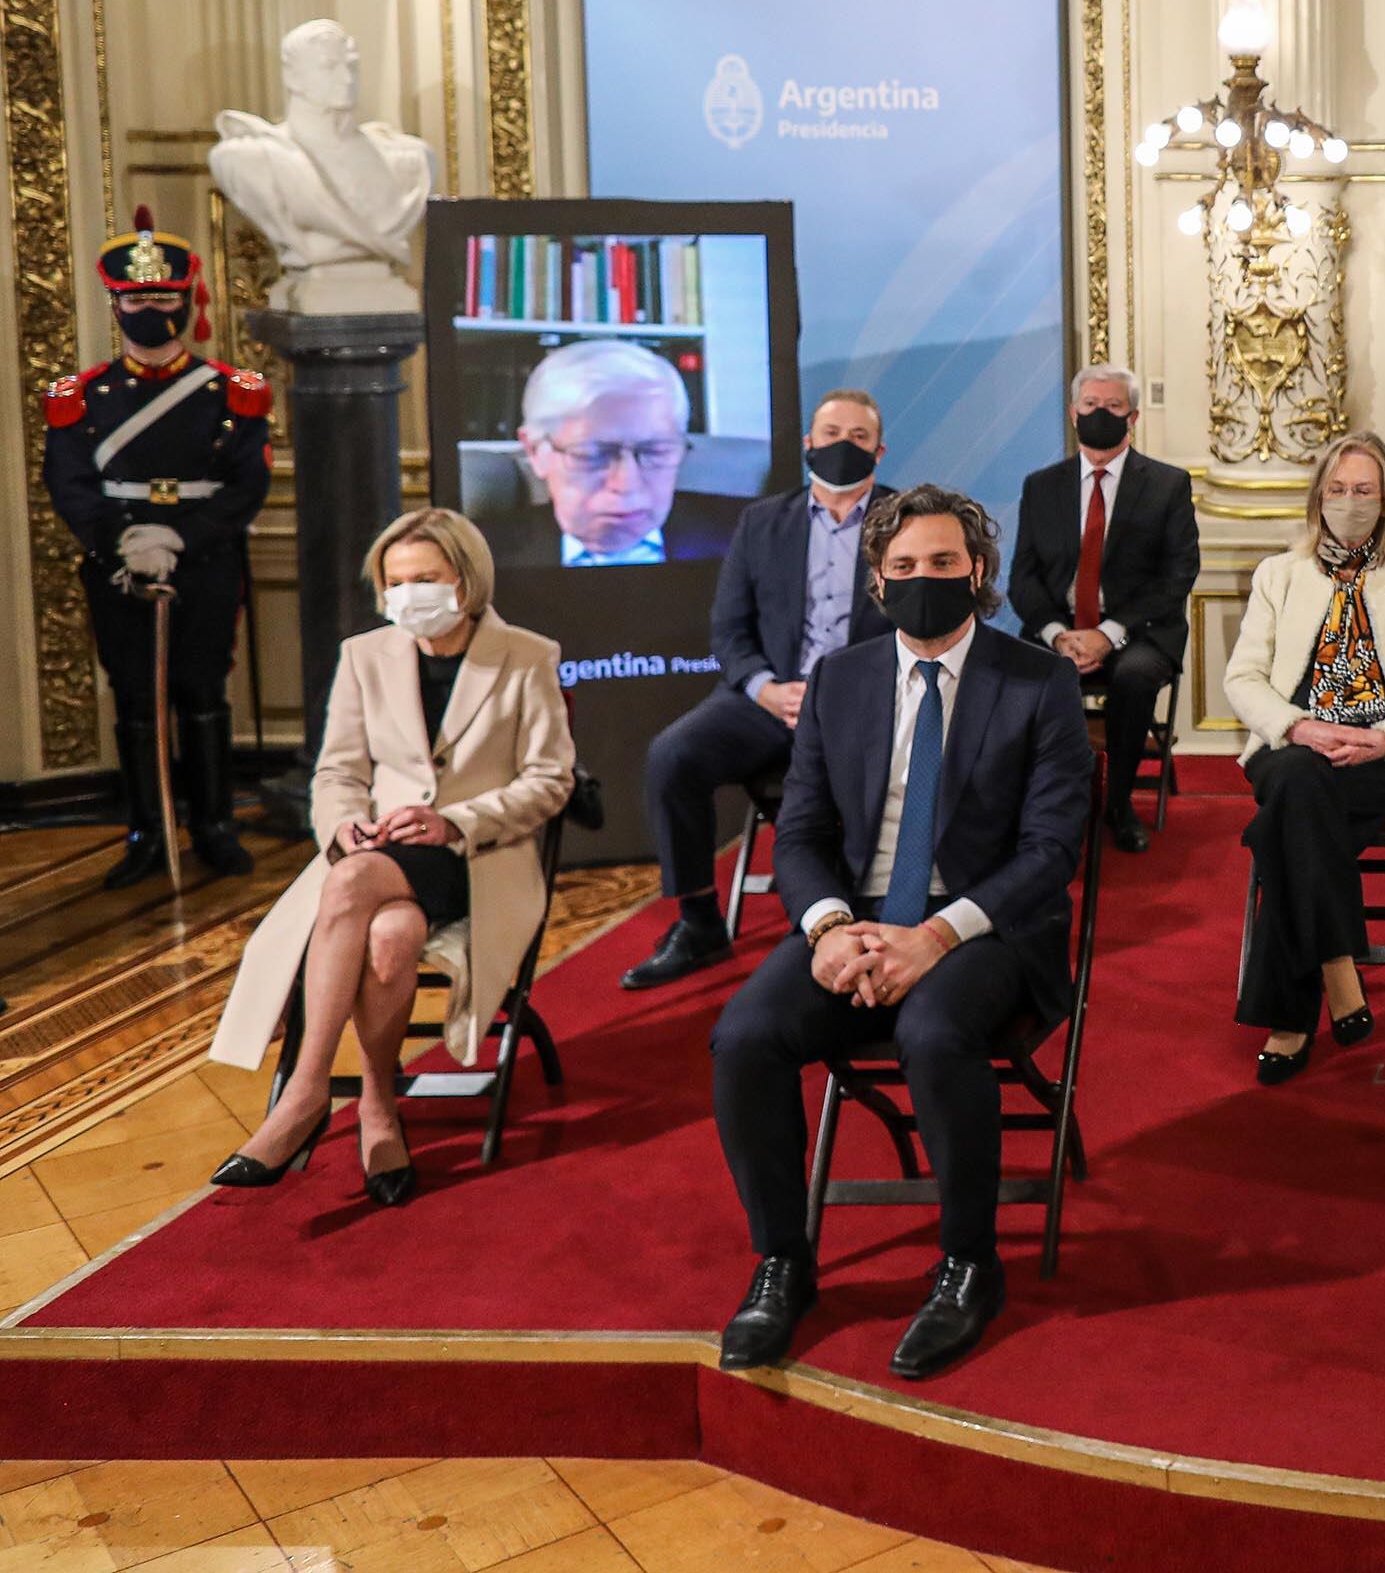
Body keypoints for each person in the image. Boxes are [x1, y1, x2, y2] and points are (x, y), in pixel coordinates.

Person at [710, 486, 1092, 1379]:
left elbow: (1049, 851)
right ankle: (783, 1261)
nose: (926, 580)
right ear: (878, 582)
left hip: (988, 925)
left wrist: (936, 937)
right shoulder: (842, 680)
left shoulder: (1038, 682)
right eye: (906, 568)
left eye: (945, 564)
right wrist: (831, 928)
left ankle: (968, 1265)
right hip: (858, 918)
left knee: (934, 1031)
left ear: (979, 573)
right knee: (745, 1037)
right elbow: (798, 832)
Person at [206, 511, 573, 1206]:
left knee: (350, 886)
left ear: (464, 582)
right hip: (378, 856)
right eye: (396, 582)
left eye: (425, 579)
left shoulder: (528, 655)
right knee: (389, 931)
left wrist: (452, 820)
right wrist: (344, 826)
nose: (409, 595)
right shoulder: (364, 655)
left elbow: (548, 781)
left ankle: (306, 1092)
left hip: (477, 855)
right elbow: (337, 773)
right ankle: (377, 1105)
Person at [621, 391, 894, 990]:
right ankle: (698, 923)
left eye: (857, 436)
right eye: (830, 433)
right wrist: (765, 689)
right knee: (673, 755)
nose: (842, 445)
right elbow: (729, 628)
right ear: (808, 444)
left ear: (879, 448)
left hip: (865, 708)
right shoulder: (763, 521)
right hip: (771, 699)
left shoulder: (906, 521)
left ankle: (846, 921)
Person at [42, 207, 271, 886]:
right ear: (116, 304)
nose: (150, 308)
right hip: (119, 566)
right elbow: (70, 484)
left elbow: (245, 485)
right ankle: (146, 829)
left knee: (202, 691)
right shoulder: (78, 396)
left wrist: (177, 536)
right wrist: (126, 543)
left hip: (202, 560)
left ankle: (214, 826)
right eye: (137, 298)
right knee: (137, 697)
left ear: (187, 300)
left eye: (163, 297)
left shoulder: (234, 392)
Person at [1223, 434, 1385, 1083]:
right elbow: (1242, 679)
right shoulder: (1281, 574)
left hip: (1376, 758)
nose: (1350, 503)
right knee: (1299, 783)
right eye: (1338, 490)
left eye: (1363, 491)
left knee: (1286, 826)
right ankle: (1335, 963)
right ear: (1317, 497)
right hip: (1290, 746)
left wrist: (1383, 737)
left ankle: (1292, 1019)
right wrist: (1296, 727)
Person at [1009, 364, 1202, 855]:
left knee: (1133, 677)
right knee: (1020, 674)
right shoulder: (1041, 485)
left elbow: (1177, 576)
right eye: (1091, 405)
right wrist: (1057, 634)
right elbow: (1023, 579)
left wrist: (1108, 633)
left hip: (1139, 633)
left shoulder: (1166, 484)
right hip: (1060, 632)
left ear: (1133, 416)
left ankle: (1118, 804)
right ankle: (1041, 804)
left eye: (1113, 406)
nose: (1101, 414)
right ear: (1073, 414)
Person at [492, 335, 744, 568]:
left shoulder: (754, 539)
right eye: (592, 454)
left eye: (655, 451)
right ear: (535, 450)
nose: (626, 483)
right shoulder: (473, 556)